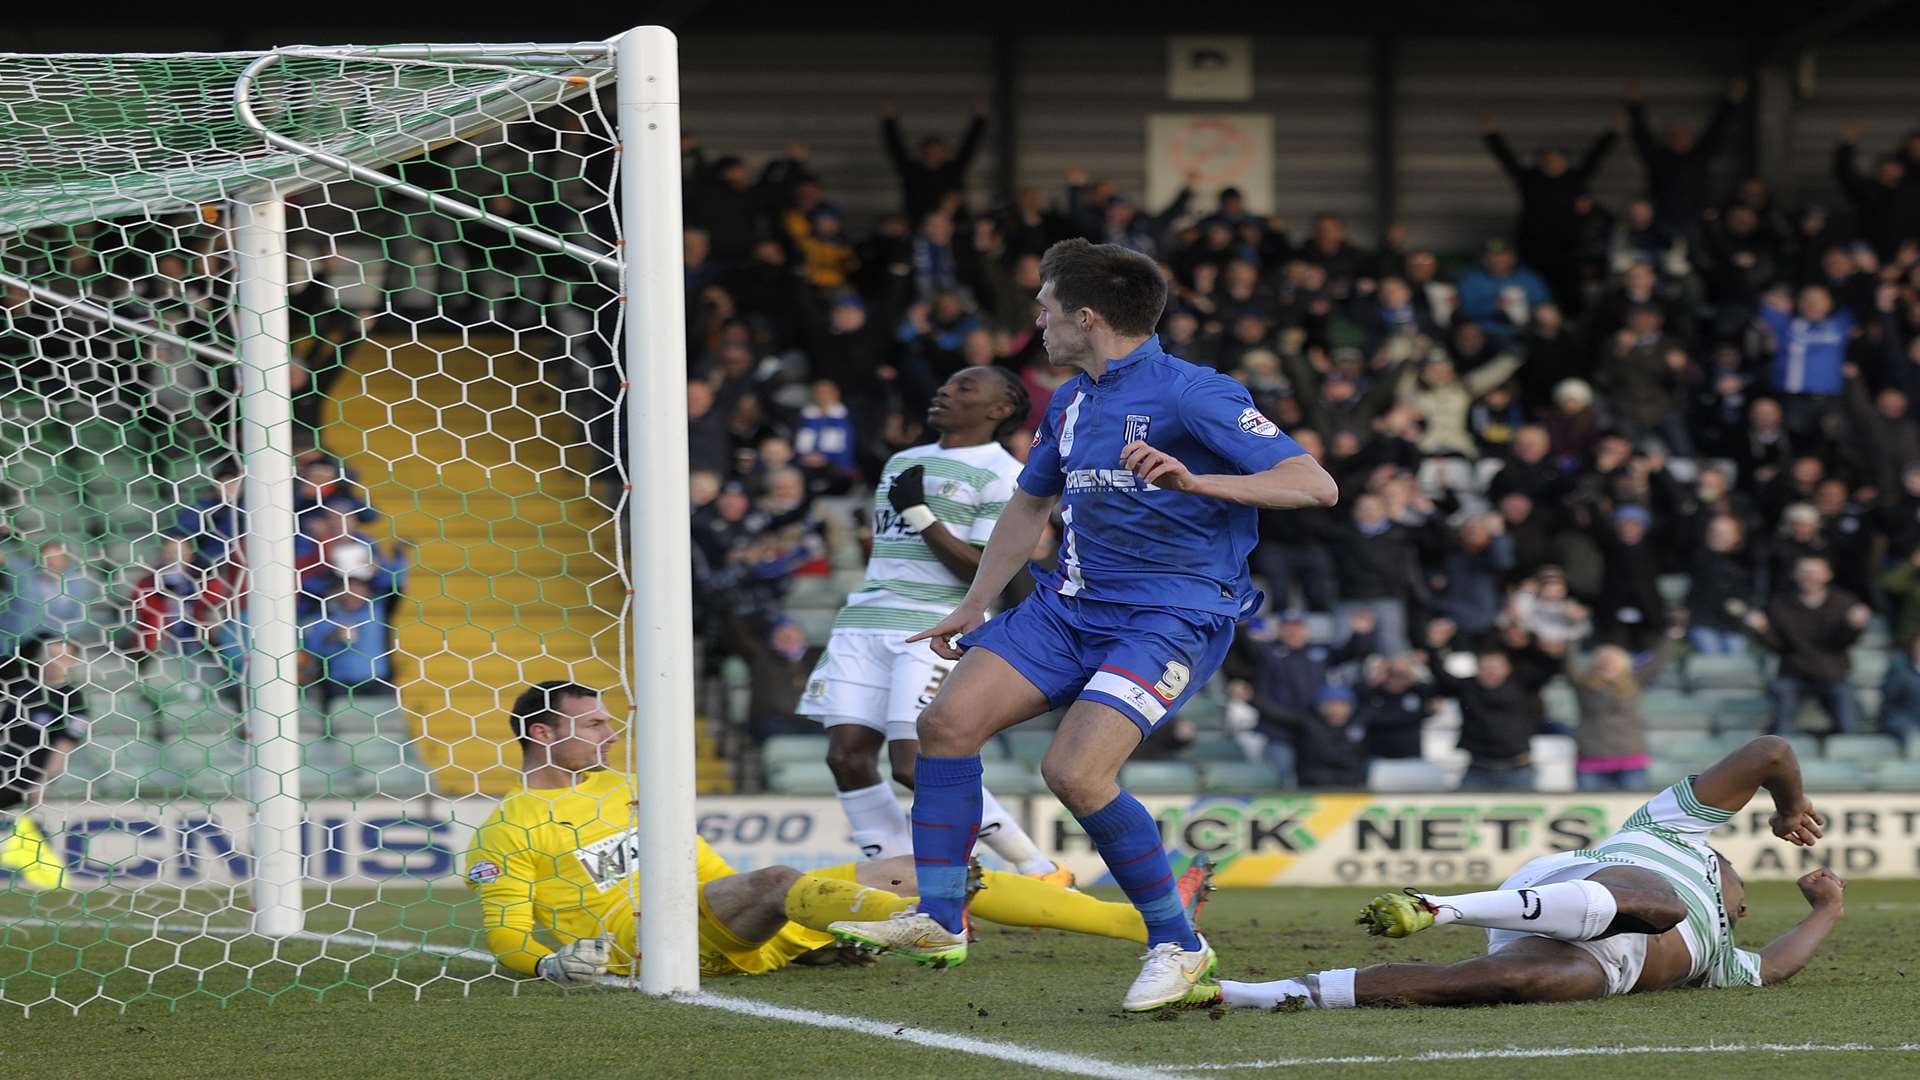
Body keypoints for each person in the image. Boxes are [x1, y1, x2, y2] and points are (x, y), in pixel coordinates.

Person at [829, 239, 1337, 1011]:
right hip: (1069, 607)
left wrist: (1202, 480)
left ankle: (1178, 942)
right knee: (946, 723)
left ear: (1087, 319)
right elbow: (1028, 506)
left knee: (1074, 773)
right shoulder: (1069, 400)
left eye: (1046, 306)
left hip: (1170, 617)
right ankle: (939, 918)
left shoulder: (1196, 394)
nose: (1036, 319)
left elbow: (1314, 484)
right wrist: (976, 602)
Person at [463, 682, 1209, 982]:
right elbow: (507, 938)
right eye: (590, 722)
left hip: (722, 918)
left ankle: (1147, 923)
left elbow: (700, 866)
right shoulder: (506, 830)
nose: (609, 729)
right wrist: (550, 967)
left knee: (927, 869)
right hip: (643, 947)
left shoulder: (626, 787)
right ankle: (906, 929)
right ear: (539, 731)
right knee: (778, 882)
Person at [1194, 736, 1841, 1010]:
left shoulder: (1724, 955)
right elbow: (1770, 753)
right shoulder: (1670, 829)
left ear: (1739, 910)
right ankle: (1446, 908)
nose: (1733, 872)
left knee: (1506, 980)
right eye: (1731, 865)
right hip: (1584, 884)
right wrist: (1788, 810)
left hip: (1589, 955)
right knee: (1659, 903)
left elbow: (1775, 969)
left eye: (1740, 884)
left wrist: (1827, 911)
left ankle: (1241, 993)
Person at [796, 367, 1069, 883]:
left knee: (914, 763)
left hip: (933, 627)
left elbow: (990, 571)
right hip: (865, 620)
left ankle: (1037, 868)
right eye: (945, 384)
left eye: (965, 387)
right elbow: (890, 548)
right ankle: (899, 882)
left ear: (999, 408)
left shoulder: (1002, 473)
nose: (945, 390)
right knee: (846, 757)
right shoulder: (903, 461)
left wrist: (921, 516)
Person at [1744, 556, 1868, 735]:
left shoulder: (1844, 602)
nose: (1809, 577)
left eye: (1814, 572)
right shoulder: (1780, 604)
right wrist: (1763, 631)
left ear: (1827, 575)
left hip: (1832, 674)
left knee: (1849, 727)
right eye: (1804, 572)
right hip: (1793, 674)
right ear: (1795, 575)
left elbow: (1841, 642)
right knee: (1781, 730)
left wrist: (1853, 627)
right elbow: (1780, 646)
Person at [0, 635, 83, 889]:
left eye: (61, 655)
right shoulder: (19, 682)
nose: (53, 661)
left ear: (72, 661)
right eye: (49, 653)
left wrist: (43, 781)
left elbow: (65, 745)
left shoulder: (73, 698)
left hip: (24, 778)